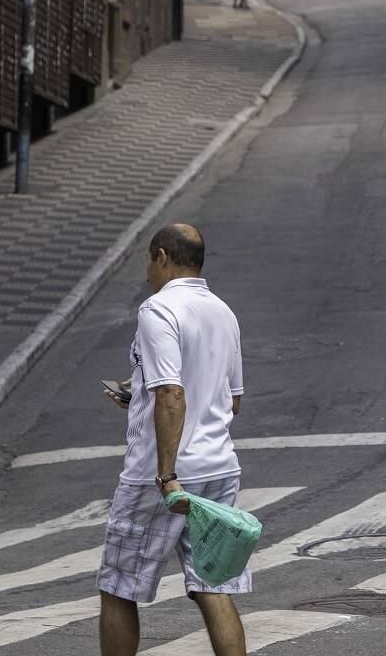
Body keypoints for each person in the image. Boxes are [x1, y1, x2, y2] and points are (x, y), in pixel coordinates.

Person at [98, 224, 248, 656]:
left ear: (162, 257)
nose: (146, 271)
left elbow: (171, 394)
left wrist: (167, 476)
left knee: (119, 587)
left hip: (160, 476)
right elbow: (231, 400)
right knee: (214, 586)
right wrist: (140, 391)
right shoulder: (224, 312)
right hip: (219, 468)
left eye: (148, 260)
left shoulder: (158, 310)